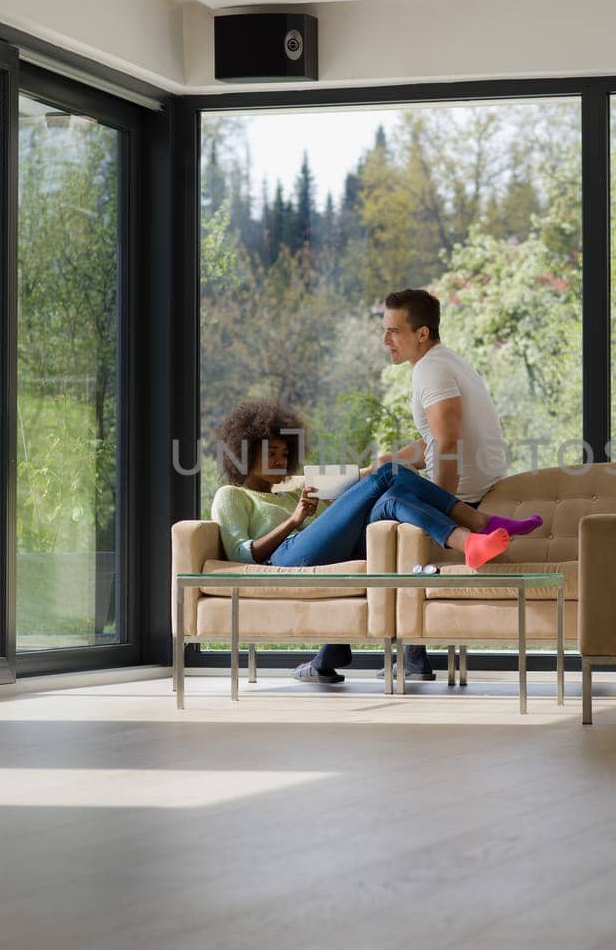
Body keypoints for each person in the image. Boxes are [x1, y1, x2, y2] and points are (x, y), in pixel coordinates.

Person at [210, 400, 537, 684]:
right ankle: (479, 523)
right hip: (284, 558)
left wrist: (335, 508)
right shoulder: (232, 496)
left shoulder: (295, 491)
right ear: (245, 452)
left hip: (319, 552)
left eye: (284, 453)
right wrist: (295, 521)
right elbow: (244, 555)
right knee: (390, 471)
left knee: (392, 499)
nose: (279, 461)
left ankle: (468, 544)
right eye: (271, 453)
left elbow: (346, 502)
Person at [369, 288, 528, 680]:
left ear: (422, 333)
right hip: (471, 486)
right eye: (384, 330)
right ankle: (404, 657)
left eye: (394, 331)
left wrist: (442, 506)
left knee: (374, 522)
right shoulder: (439, 362)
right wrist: (391, 460)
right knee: (381, 489)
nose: (385, 340)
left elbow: (449, 442)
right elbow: (433, 443)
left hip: (467, 494)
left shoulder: (431, 370)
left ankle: (404, 658)